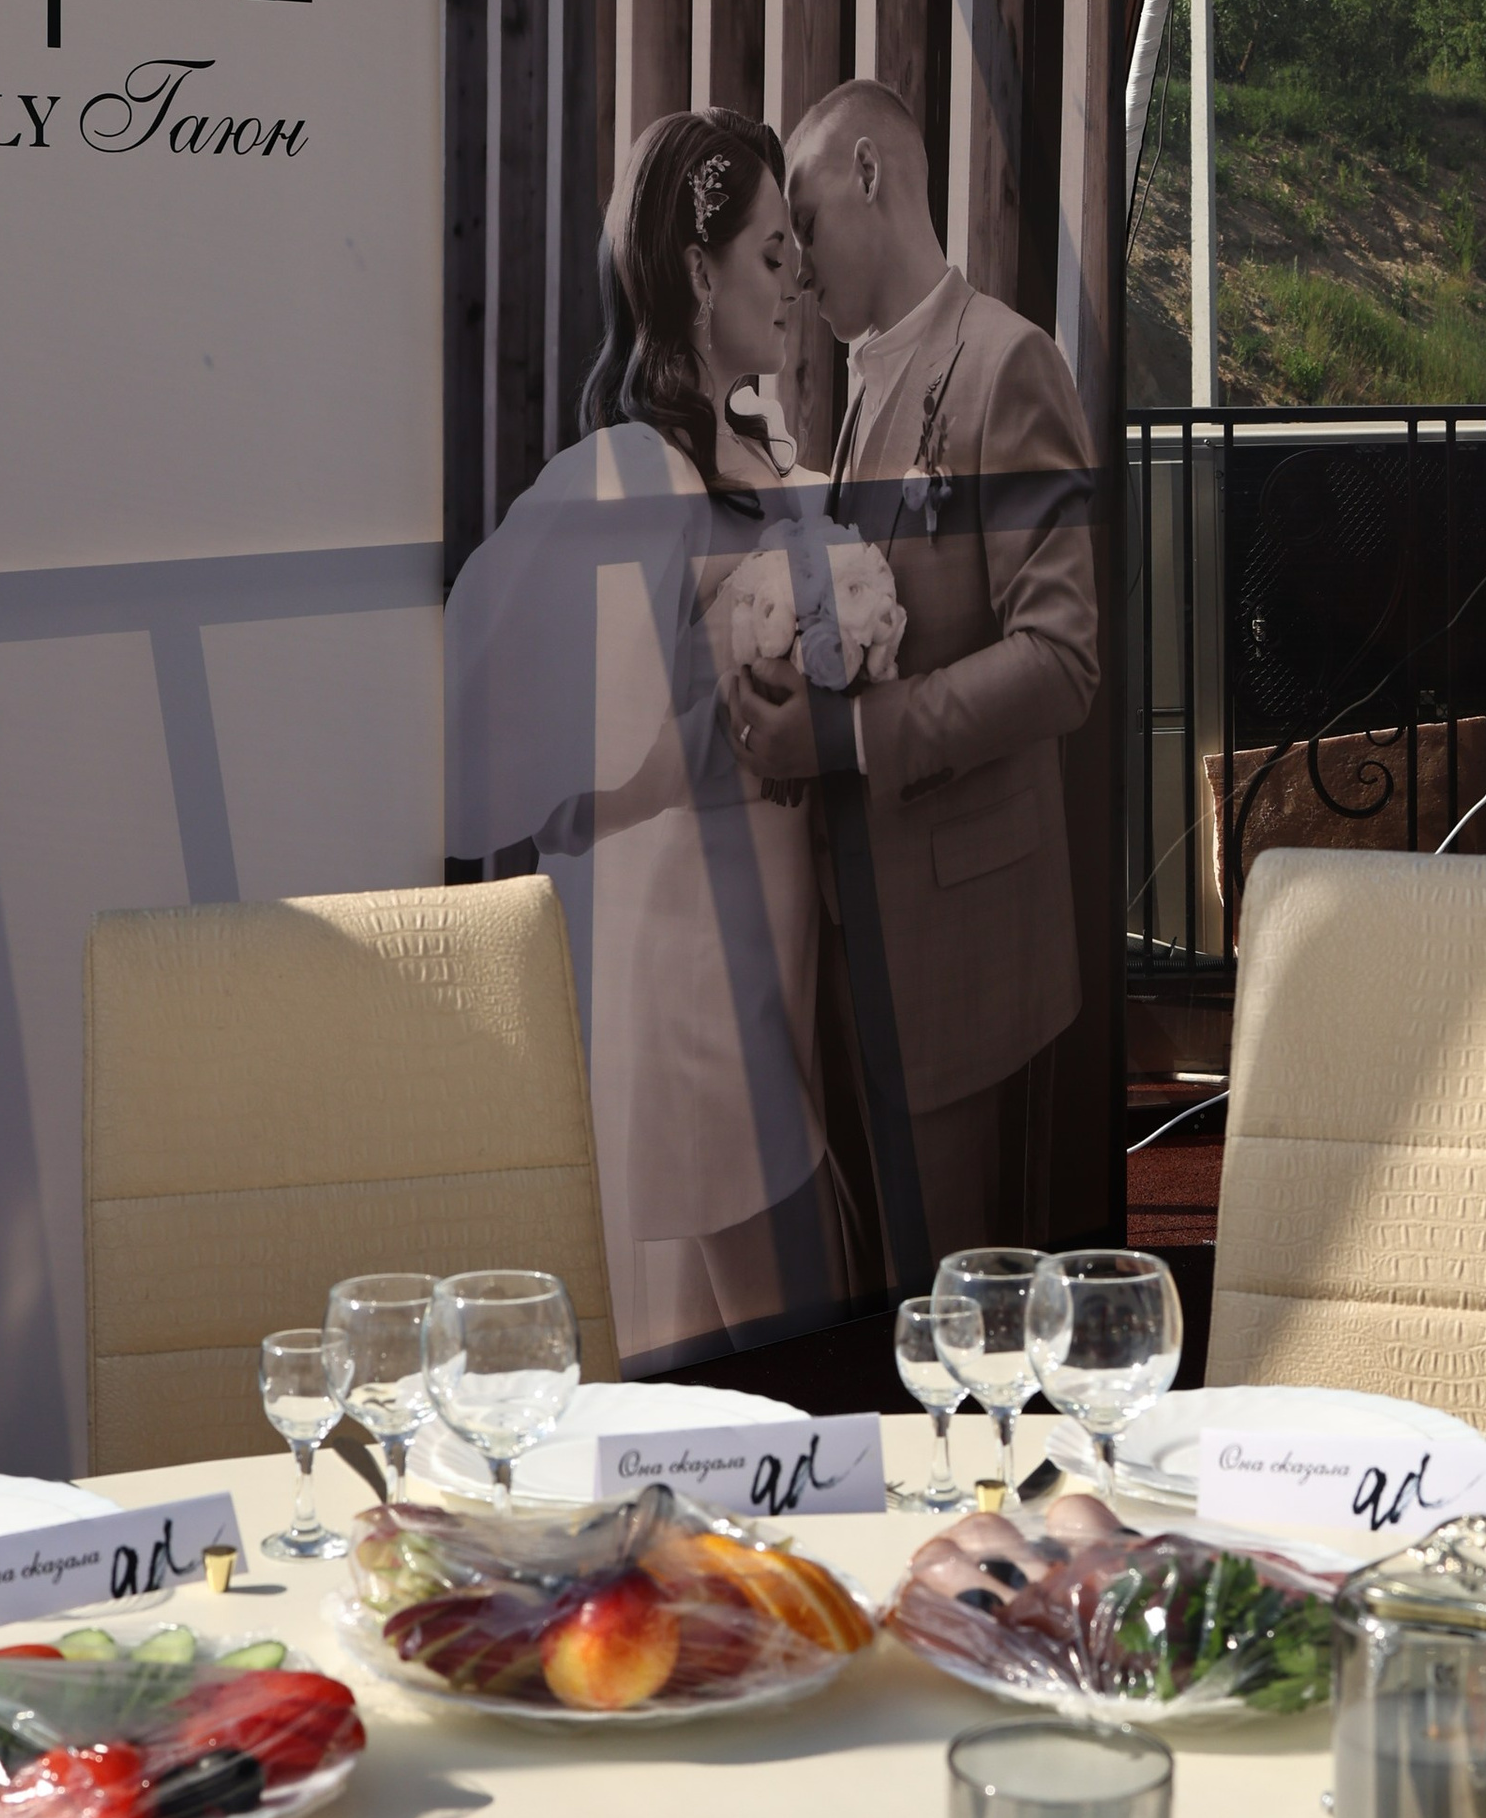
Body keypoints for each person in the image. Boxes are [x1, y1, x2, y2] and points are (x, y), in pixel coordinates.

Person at [443, 110, 851, 1369]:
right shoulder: (635, 477)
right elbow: (563, 773)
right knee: (794, 1370)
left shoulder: (760, 448)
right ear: (696, 271)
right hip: (697, 986)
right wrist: (752, 728)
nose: (796, 285)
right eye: (775, 255)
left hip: (776, 967)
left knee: (760, 1380)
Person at [723, 78, 1100, 1263]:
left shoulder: (1008, 365)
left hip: (961, 956)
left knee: (961, 1312)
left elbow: (1060, 661)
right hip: (858, 933)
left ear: (872, 174)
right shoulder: (866, 380)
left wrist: (841, 738)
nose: (794, 266)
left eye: (807, 221)